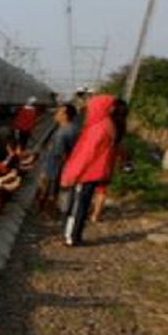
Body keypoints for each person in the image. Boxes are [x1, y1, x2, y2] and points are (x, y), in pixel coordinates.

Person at [61, 94, 120, 246]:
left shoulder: (98, 128)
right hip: (94, 173)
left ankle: (71, 238)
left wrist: (72, 175)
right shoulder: (108, 124)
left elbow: (86, 154)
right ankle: (76, 236)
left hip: (86, 174)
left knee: (77, 207)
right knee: (83, 205)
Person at [34, 103, 80, 216]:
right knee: (52, 191)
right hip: (61, 165)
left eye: (58, 112)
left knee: (49, 191)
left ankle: (47, 213)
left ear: (65, 115)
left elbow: (60, 153)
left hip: (53, 167)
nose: (55, 114)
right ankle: (46, 211)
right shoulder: (73, 128)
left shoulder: (62, 133)